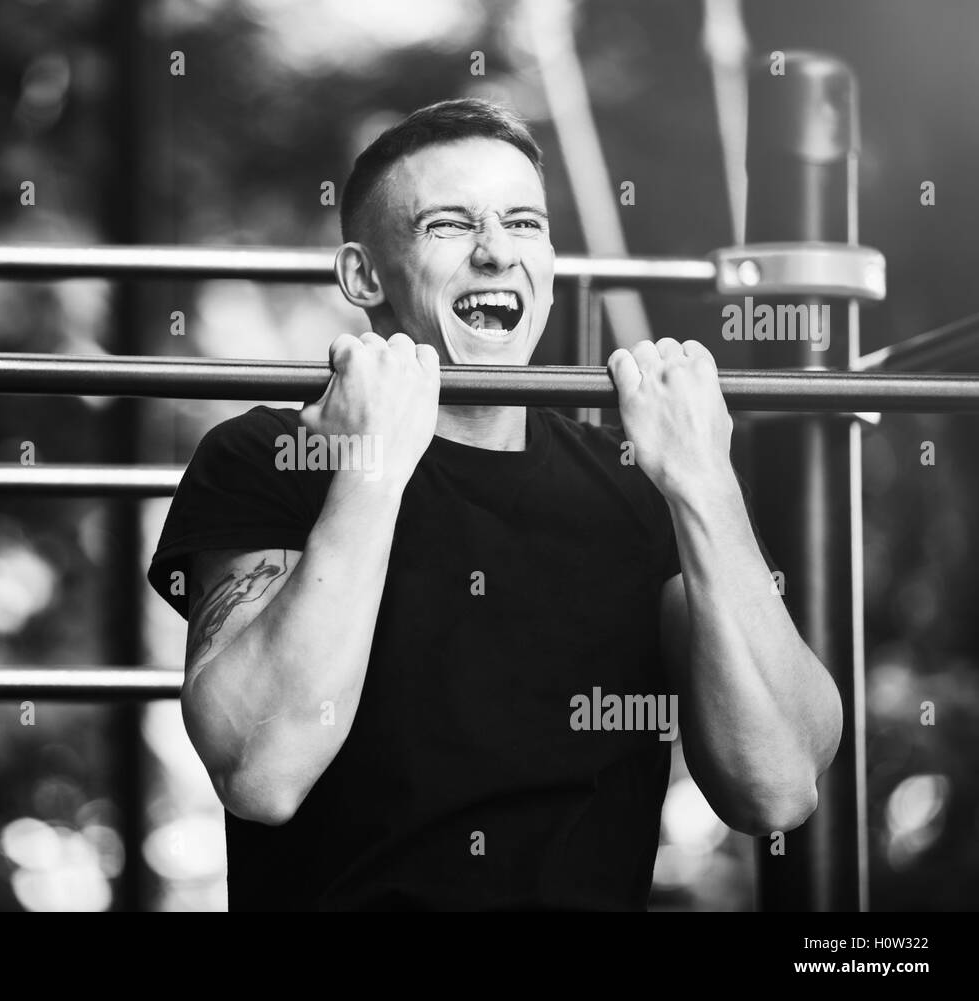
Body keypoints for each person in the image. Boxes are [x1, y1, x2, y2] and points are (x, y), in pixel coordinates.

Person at [148, 98, 843, 911]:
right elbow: (261, 773)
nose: (495, 252)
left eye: (523, 223)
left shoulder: (637, 480)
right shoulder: (270, 453)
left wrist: (705, 483)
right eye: (448, 224)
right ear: (363, 275)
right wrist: (371, 471)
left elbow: (779, 786)